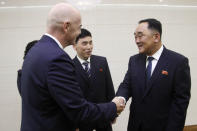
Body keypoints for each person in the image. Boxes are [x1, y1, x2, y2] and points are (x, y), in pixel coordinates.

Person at [20, 3, 125, 131]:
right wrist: (113, 107)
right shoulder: (57, 58)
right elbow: (79, 111)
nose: (80, 32)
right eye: (79, 27)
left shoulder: (35, 51)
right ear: (66, 26)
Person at [116, 18, 191, 131]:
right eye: (135, 36)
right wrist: (121, 98)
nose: (136, 40)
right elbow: (127, 85)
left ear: (156, 37)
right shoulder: (134, 60)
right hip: (135, 125)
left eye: (140, 36)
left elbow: (180, 103)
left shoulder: (178, 62)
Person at [73, 28, 115, 131]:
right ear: (74, 46)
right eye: (84, 43)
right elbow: (71, 99)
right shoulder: (69, 67)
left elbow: (109, 89)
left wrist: (113, 112)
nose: (89, 47)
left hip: (103, 119)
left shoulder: (102, 61)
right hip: (83, 122)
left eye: (91, 43)